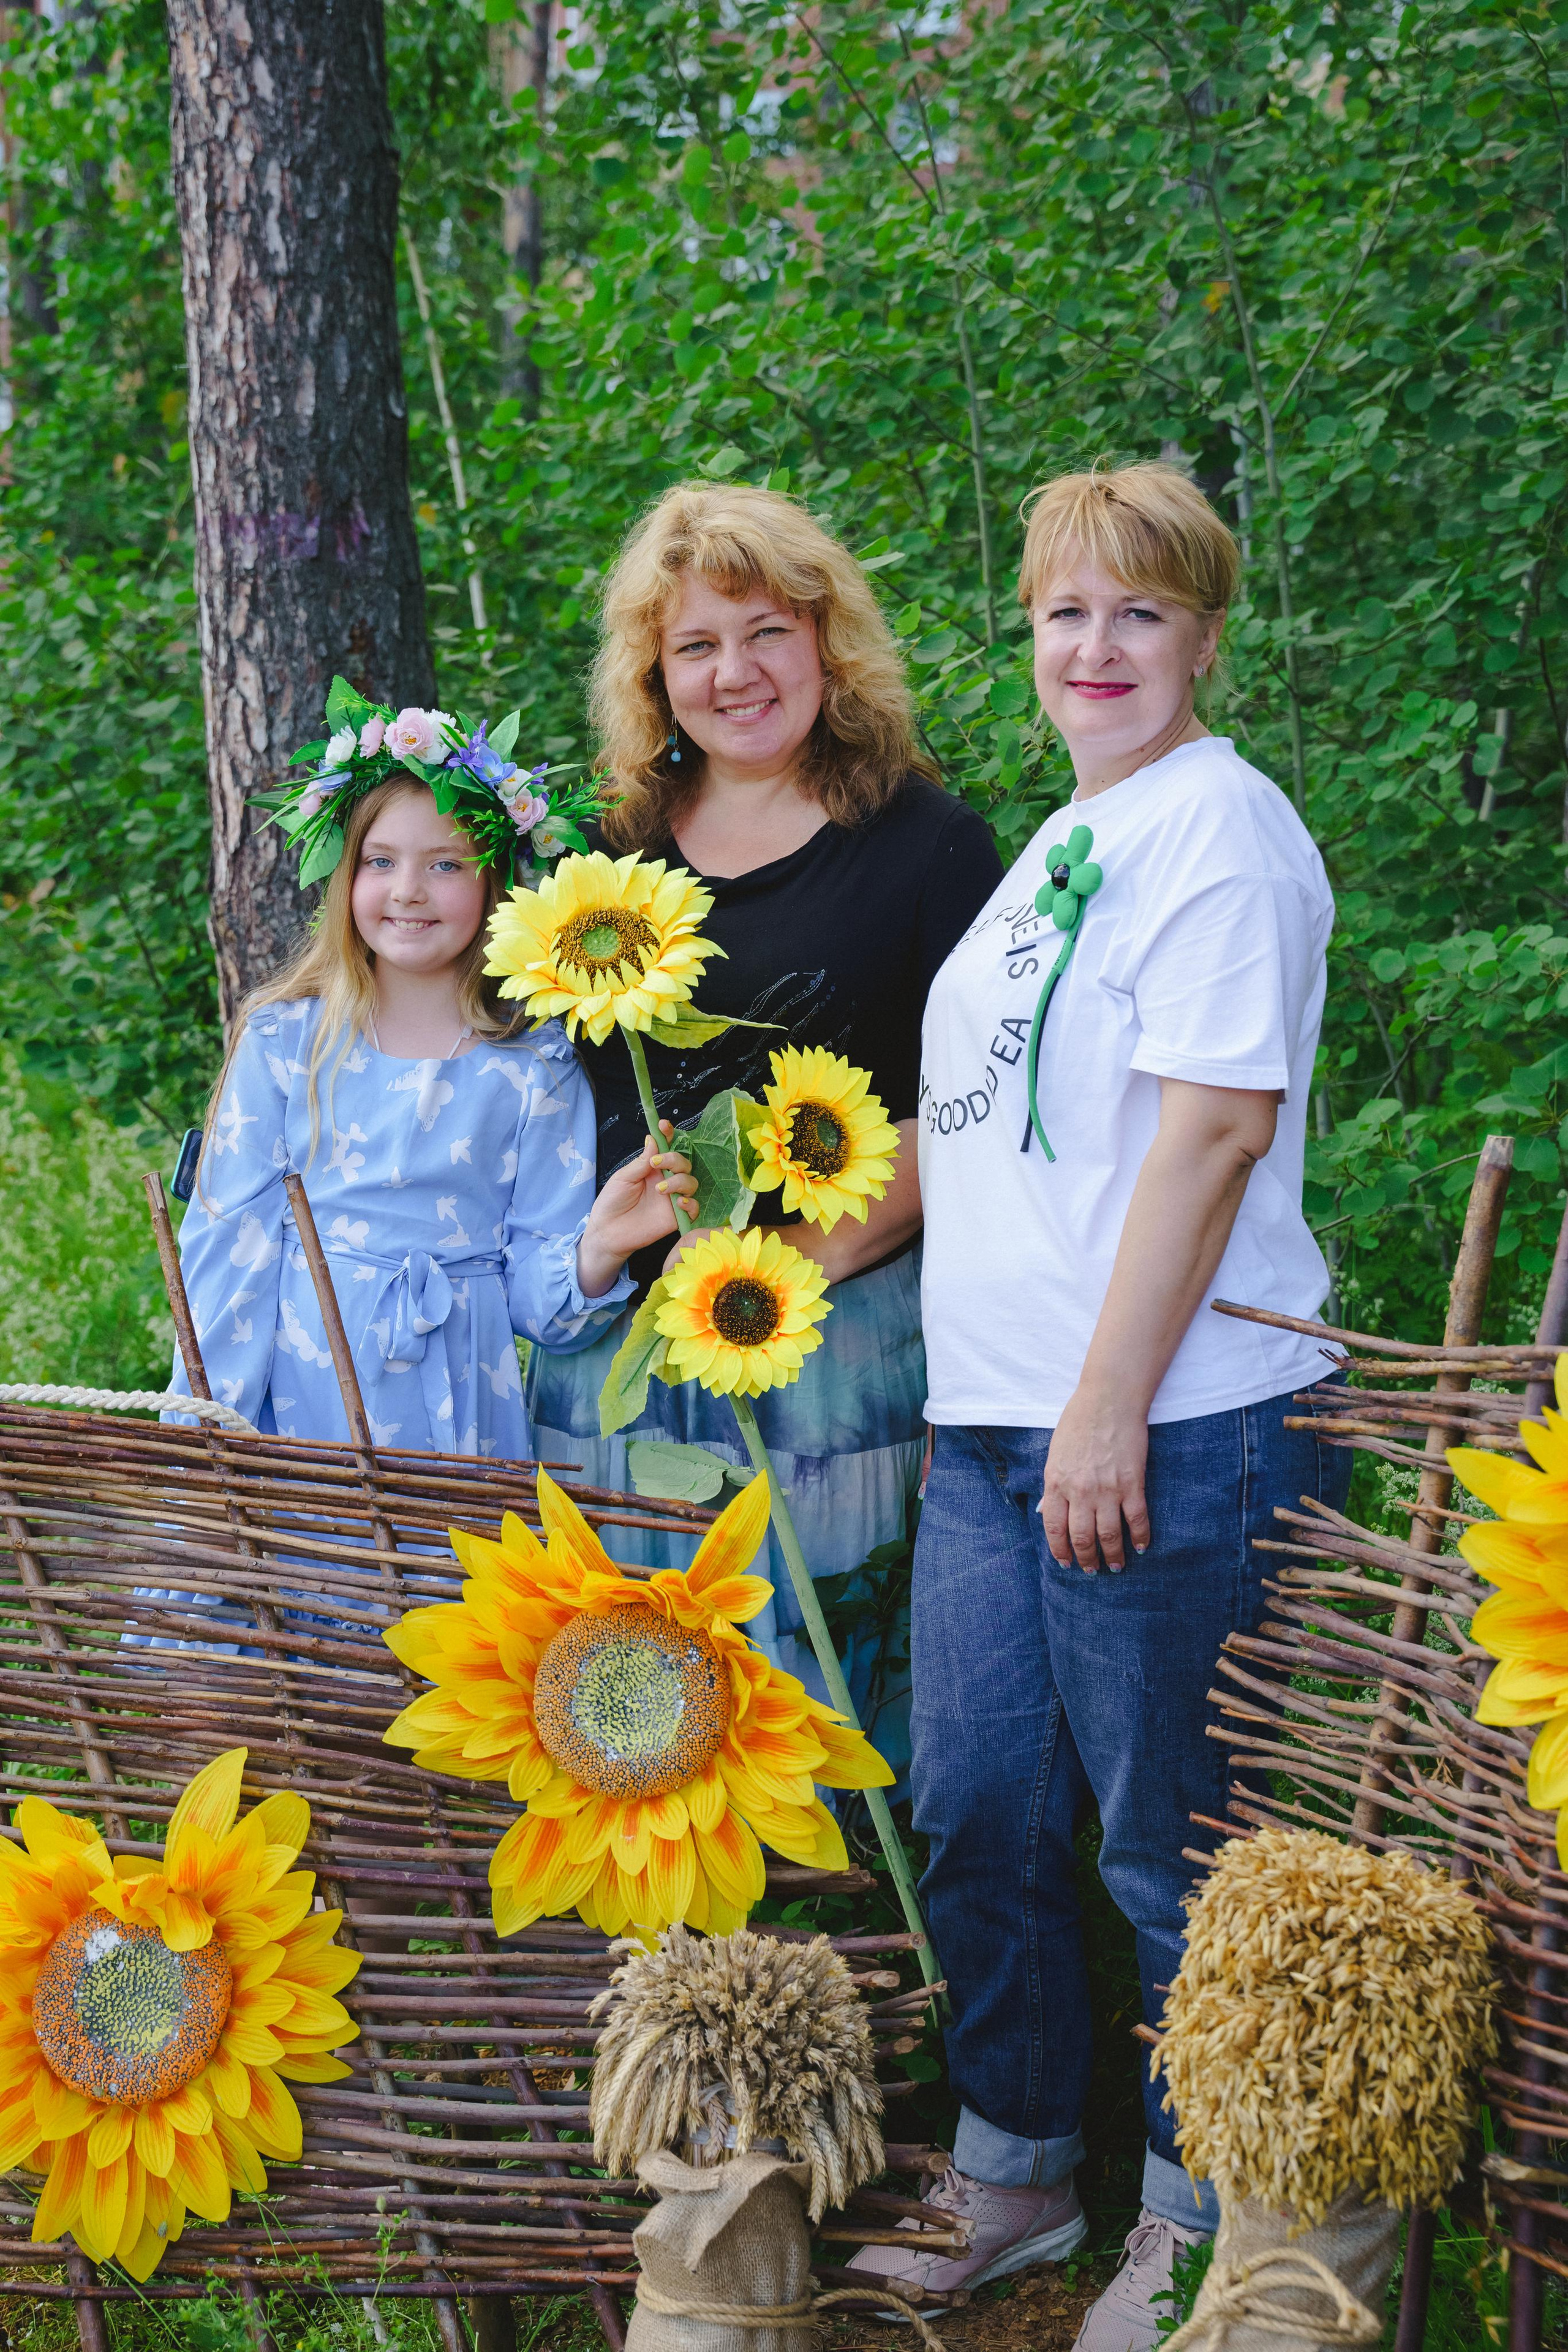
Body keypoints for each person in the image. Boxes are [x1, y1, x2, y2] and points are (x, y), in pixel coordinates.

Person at [848, 461, 1349, 2347]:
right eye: (1065, 611)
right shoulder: (1066, 843)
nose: (1096, 643)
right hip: (989, 1420)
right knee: (977, 1807)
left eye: (1138, 610)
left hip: (1169, 1414)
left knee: (1165, 1843)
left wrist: (1104, 1407)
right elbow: (982, 1135)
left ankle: (1197, 2218)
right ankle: (1015, 2171)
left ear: (1204, 634)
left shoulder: (1221, 830)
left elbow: (1214, 1129)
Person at [526, 481, 1003, 1751]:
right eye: (695, 645)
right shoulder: (599, 854)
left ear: (826, 642)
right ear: (652, 673)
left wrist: (817, 1256)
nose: (733, 673)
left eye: (764, 632)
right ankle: (672, 1959)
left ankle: (864, 1949)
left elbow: (983, 1108)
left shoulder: (928, 845)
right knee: (629, 1714)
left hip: (831, 1351)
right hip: (615, 1359)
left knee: (829, 1700)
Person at [170, 701, 695, 1452]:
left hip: (461, 1419)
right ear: (346, 877)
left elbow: (538, 1304)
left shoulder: (533, 1065)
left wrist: (600, 1248)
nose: (408, 890)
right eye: (380, 861)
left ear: (493, 883)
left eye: (445, 864)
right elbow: (229, 1255)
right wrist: (203, 1432)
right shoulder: (288, 1043)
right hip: (304, 1411)